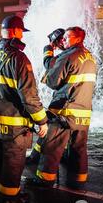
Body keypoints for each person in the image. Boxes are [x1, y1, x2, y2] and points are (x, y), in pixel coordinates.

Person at [0, 15, 48, 203]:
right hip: (14, 124)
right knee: (12, 159)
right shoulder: (19, 58)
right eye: (21, 32)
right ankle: (10, 196)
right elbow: (29, 96)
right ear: (16, 32)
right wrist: (41, 120)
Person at [28, 26, 97, 190]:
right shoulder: (89, 57)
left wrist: (49, 53)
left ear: (78, 39)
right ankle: (78, 180)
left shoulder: (68, 56)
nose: (63, 40)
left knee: (52, 147)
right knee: (79, 148)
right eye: (63, 38)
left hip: (64, 112)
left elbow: (53, 81)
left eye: (67, 37)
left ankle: (45, 180)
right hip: (83, 112)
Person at [26, 28, 65, 164]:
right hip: (76, 102)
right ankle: (65, 156)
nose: (63, 42)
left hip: (64, 101)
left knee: (48, 125)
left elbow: (49, 64)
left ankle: (35, 158)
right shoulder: (79, 55)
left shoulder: (67, 55)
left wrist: (48, 48)